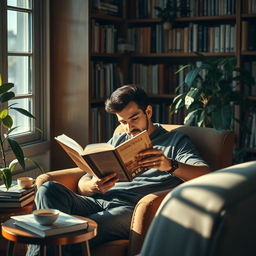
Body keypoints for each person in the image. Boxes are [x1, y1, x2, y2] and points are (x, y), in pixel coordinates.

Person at [27, 85, 210, 255]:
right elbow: (83, 182)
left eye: (134, 119)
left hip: (129, 209)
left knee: (70, 234)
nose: (129, 128)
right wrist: (94, 186)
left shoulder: (175, 141)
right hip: (97, 202)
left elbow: (206, 175)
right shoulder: (117, 141)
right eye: (123, 122)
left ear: (148, 112)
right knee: (48, 189)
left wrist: (170, 165)